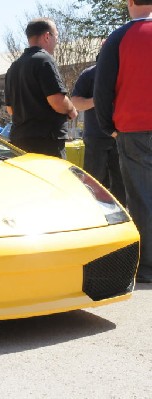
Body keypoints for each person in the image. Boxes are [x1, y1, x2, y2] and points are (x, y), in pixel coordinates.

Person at [94, 0, 152, 283]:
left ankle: (149, 266)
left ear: (130, 2)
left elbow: (102, 88)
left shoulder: (118, 38)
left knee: (142, 198)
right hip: (135, 127)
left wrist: (109, 126)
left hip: (134, 128)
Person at [4, 17, 78, 158]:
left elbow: (10, 109)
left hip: (19, 140)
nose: (57, 41)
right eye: (56, 36)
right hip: (46, 141)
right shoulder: (44, 60)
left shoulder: (14, 67)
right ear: (47, 36)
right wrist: (71, 109)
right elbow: (57, 102)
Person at [71, 59, 126, 205]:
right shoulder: (89, 74)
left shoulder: (124, 72)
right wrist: (98, 100)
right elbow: (75, 102)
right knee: (93, 181)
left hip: (121, 136)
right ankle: (90, 212)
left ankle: (120, 217)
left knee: (121, 183)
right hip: (96, 138)